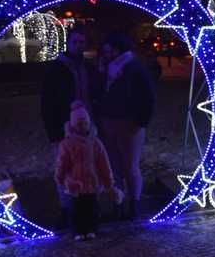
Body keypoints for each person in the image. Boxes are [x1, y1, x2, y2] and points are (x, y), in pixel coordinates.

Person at [40, 26, 95, 227]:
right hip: (63, 127)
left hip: (88, 127)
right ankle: (66, 210)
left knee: (87, 167)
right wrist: (53, 131)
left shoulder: (88, 67)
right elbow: (47, 102)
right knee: (64, 168)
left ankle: (86, 210)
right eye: (75, 42)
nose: (79, 46)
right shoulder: (56, 69)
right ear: (68, 43)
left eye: (82, 42)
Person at [99, 32, 155, 220]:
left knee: (130, 166)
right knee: (114, 166)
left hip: (129, 123)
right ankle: (118, 203)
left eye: (109, 51)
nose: (106, 55)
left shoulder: (134, 69)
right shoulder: (107, 68)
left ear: (118, 50)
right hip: (110, 122)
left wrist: (140, 122)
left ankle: (134, 205)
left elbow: (148, 97)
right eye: (104, 52)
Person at [54, 101, 123, 240]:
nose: (83, 126)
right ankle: (78, 231)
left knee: (92, 208)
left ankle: (92, 228)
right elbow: (62, 163)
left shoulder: (96, 143)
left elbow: (103, 163)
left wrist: (108, 182)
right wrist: (60, 177)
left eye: (85, 123)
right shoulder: (67, 144)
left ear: (89, 123)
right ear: (73, 125)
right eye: (79, 124)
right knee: (77, 209)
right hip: (75, 184)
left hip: (92, 183)